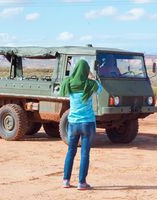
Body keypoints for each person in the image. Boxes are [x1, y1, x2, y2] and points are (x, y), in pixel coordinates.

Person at [60, 59, 102, 190]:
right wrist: (92, 77)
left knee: (70, 152)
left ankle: (66, 181)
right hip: (87, 123)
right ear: (85, 71)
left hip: (72, 123)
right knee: (85, 153)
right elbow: (100, 89)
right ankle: (81, 183)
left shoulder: (68, 83)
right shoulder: (90, 84)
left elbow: (62, 90)